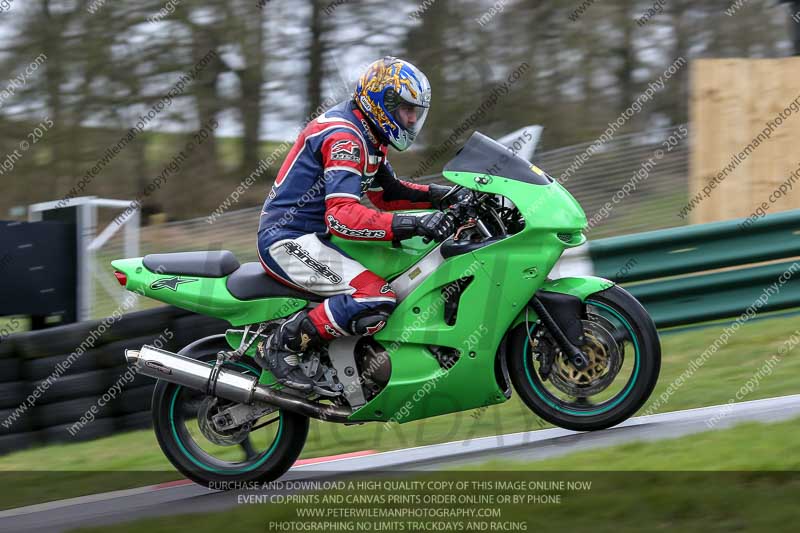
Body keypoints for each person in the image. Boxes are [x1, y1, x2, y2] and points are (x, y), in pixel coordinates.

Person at [255, 56, 463, 391]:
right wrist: (413, 224)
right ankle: (282, 344)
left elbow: (389, 195)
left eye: (416, 112)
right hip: (288, 238)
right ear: (383, 103)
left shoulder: (367, 131)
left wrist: (447, 196)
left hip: (315, 235)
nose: (411, 119)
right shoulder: (346, 138)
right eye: (407, 110)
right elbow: (342, 216)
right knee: (373, 297)